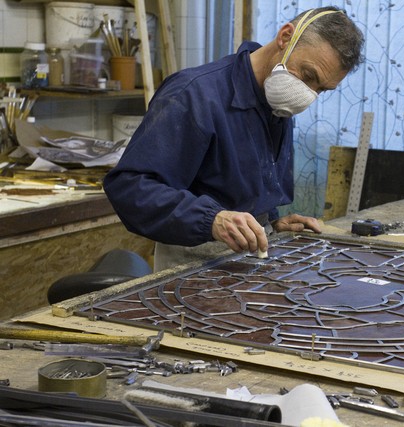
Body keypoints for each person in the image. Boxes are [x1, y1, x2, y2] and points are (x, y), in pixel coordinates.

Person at [103, 6, 365, 271]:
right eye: (309, 76)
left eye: (321, 89)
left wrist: (269, 223)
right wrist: (212, 220)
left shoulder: (278, 98)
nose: (307, 95)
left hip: (250, 257)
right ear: (285, 37)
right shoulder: (194, 95)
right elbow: (129, 186)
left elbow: (243, 186)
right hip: (191, 264)